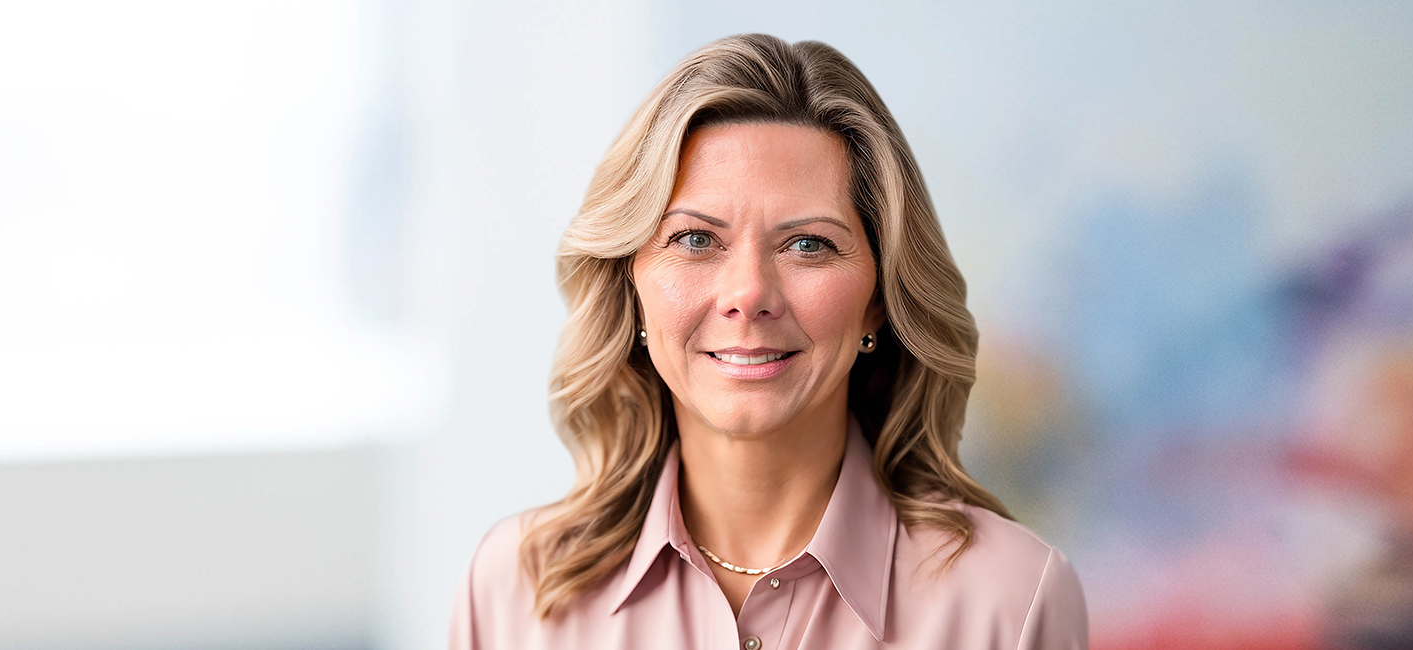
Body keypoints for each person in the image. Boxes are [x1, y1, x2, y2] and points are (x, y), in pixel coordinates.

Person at [449, 34, 1088, 649]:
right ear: (630, 284)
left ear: (877, 302)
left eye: (808, 244)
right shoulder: (512, 591)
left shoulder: (1014, 602)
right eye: (695, 239)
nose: (749, 294)